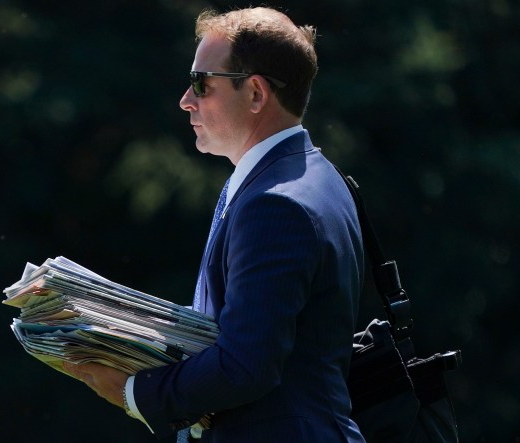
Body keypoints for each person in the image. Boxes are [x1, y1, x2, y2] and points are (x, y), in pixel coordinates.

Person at [63, 6, 365, 442]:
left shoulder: (274, 203)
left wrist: (134, 392)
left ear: (257, 94)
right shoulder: (311, 176)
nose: (185, 100)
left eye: (201, 83)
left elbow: (247, 365)